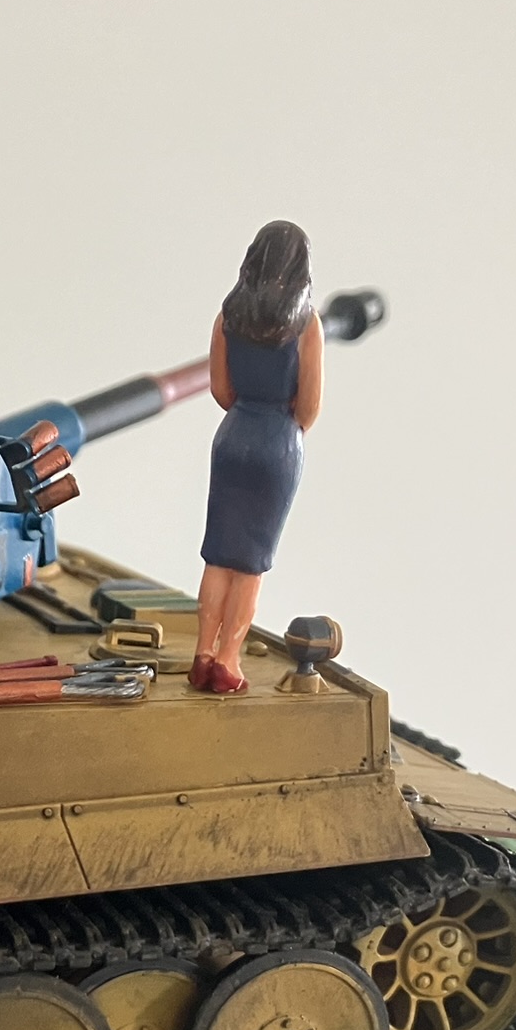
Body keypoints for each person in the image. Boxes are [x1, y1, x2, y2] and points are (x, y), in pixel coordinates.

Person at [190, 221, 324, 694]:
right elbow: (309, 407)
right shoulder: (306, 324)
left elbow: (220, 389)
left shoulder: (228, 317)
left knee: (217, 555)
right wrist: (280, 421)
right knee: (250, 563)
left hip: (233, 436)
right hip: (276, 443)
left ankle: (202, 653)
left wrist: (245, 411)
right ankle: (228, 661)